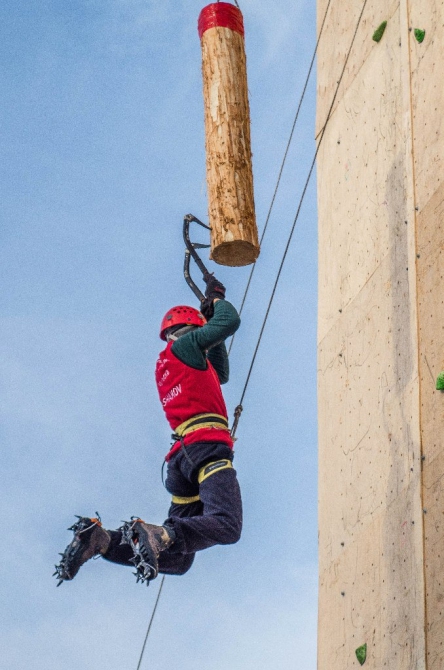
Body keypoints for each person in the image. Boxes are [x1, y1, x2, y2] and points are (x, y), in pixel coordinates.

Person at [55, 273, 242, 585]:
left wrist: (208, 315)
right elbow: (230, 321)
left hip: (182, 461)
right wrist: (219, 302)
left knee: (177, 561)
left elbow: (219, 372)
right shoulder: (187, 347)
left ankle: (101, 540)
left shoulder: (169, 361)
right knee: (227, 525)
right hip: (205, 450)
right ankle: (160, 533)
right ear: (194, 332)